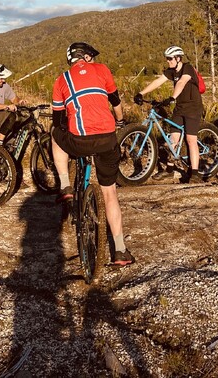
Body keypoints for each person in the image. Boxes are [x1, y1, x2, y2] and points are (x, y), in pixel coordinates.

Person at [51, 42, 134, 267]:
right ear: (86, 57)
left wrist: (67, 123)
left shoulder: (61, 80)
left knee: (54, 135)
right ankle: (119, 250)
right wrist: (119, 122)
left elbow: (57, 120)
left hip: (78, 141)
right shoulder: (103, 70)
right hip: (107, 139)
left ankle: (66, 185)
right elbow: (115, 102)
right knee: (110, 194)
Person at [135, 45, 204, 184]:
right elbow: (158, 81)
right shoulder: (172, 71)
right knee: (174, 139)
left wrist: (172, 97)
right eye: (167, 58)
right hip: (179, 108)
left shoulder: (187, 68)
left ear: (178, 58)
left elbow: (182, 82)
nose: (168, 61)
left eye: (170, 58)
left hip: (193, 108)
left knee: (191, 140)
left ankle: (195, 173)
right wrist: (141, 93)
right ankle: (169, 171)